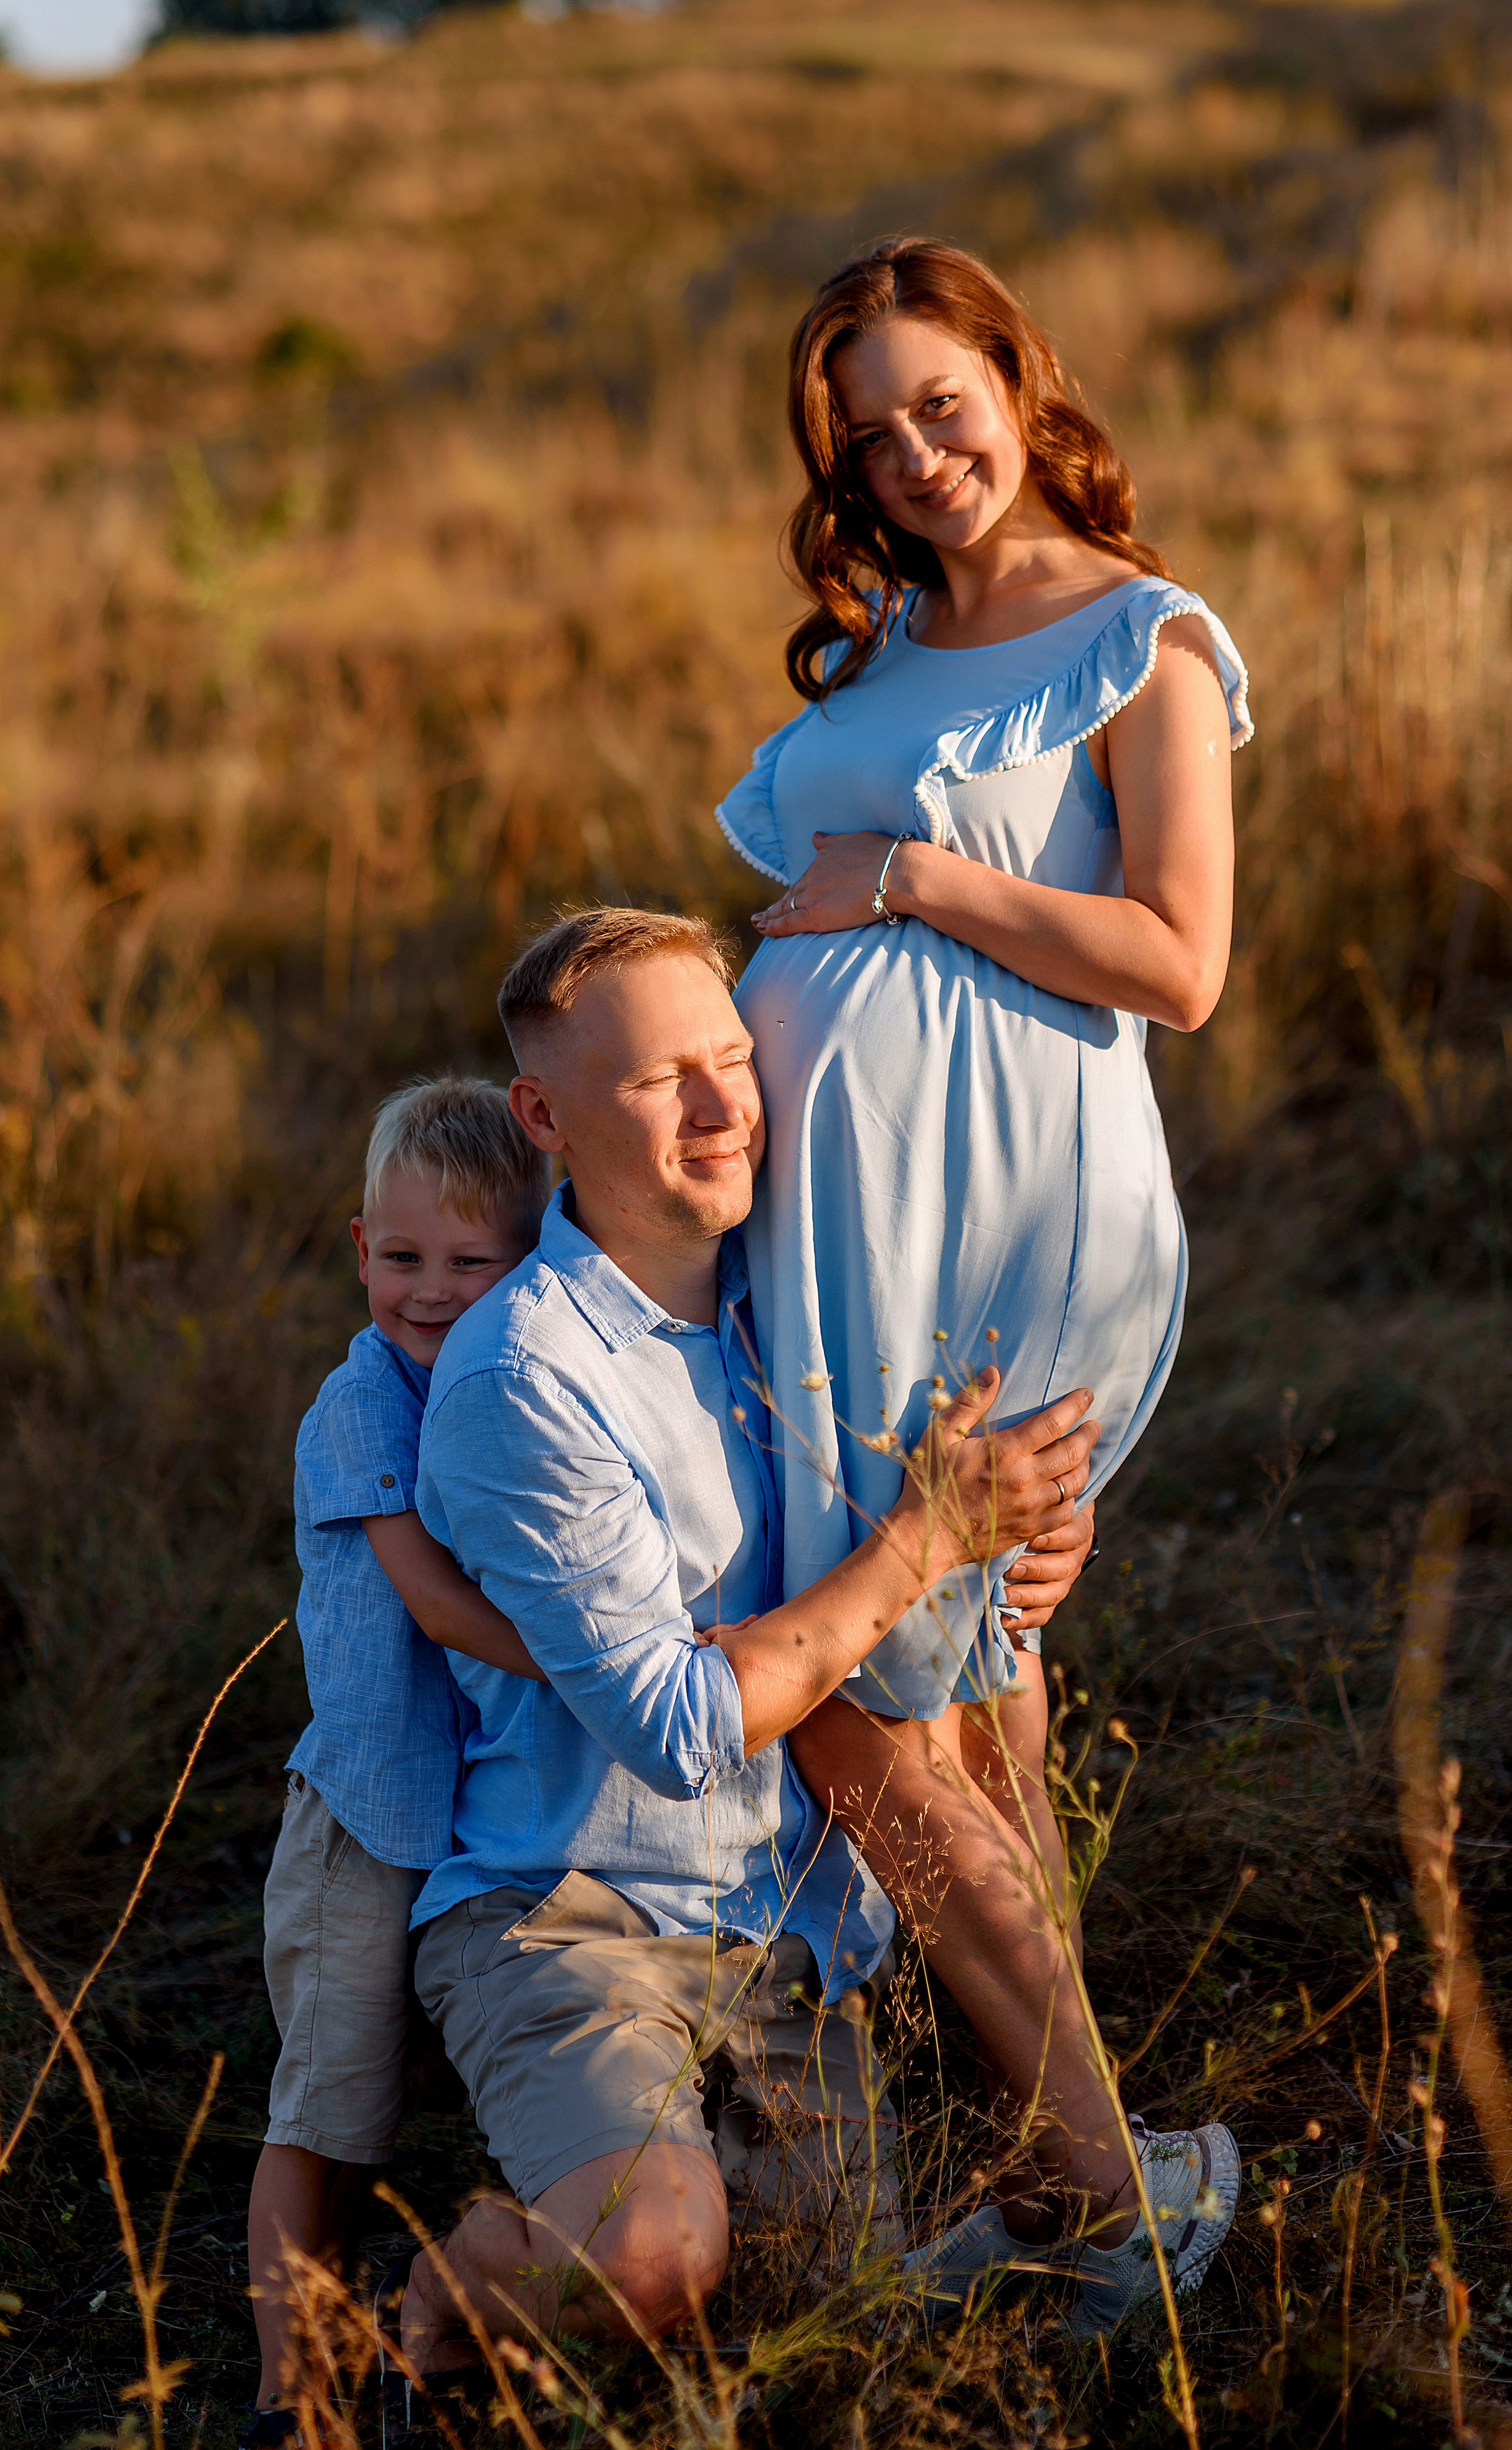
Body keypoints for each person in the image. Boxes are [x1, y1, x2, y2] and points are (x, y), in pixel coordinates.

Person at [714, 236, 1249, 2315]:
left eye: (944, 403)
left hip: (1010, 1219)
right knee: (969, 1692)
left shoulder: (1141, 639)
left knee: (858, 1702)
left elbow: (1181, 963)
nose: (918, 455)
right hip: (831, 1227)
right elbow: (804, 909)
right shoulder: (879, 648)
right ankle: (1060, 2164)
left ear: (1020, 380)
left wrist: (918, 877)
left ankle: (1110, 2189)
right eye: (872, 435)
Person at [387, 907, 1101, 2388]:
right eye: (664, 1082)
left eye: (732, 1059)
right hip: (572, 1914)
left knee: (833, 2336)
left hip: (787, 1937)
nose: (725, 1109)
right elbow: (681, 1729)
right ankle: (436, 2300)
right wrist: (929, 1538)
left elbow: (948, 1527)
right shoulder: (523, 1375)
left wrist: (1033, 1529)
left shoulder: (804, 1301)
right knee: (653, 2262)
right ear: (545, 1118)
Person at [241, 1080, 550, 2450]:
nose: (430, 1291)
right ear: (361, 1248)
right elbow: (432, 1602)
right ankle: (284, 2392)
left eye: (470, 1261)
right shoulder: (362, 1405)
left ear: (529, 1260)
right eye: (404, 1256)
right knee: (327, 2113)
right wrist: (600, 1664)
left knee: (428, 2110)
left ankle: (424, 2327)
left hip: (475, 1819)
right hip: (364, 1822)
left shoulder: (516, 1387)